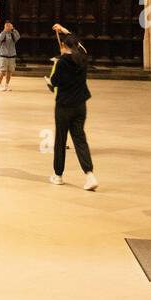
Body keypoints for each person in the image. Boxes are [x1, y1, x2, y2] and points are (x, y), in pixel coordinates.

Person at [47, 23, 97, 190]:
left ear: (63, 46)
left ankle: (58, 175)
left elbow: (54, 83)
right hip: (80, 105)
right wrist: (65, 31)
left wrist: (49, 81)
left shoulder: (61, 63)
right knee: (80, 139)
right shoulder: (82, 58)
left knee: (60, 140)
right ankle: (89, 175)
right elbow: (80, 44)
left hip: (64, 106)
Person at [0, 21, 20, 91]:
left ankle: (6, 85)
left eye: (10, 26)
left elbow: (18, 37)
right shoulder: (3, 33)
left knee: (10, 71)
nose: (8, 27)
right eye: (7, 26)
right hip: (3, 55)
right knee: (2, 71)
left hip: (12, 55)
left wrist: (14, 29)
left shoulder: (13, 33)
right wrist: (4, 30)